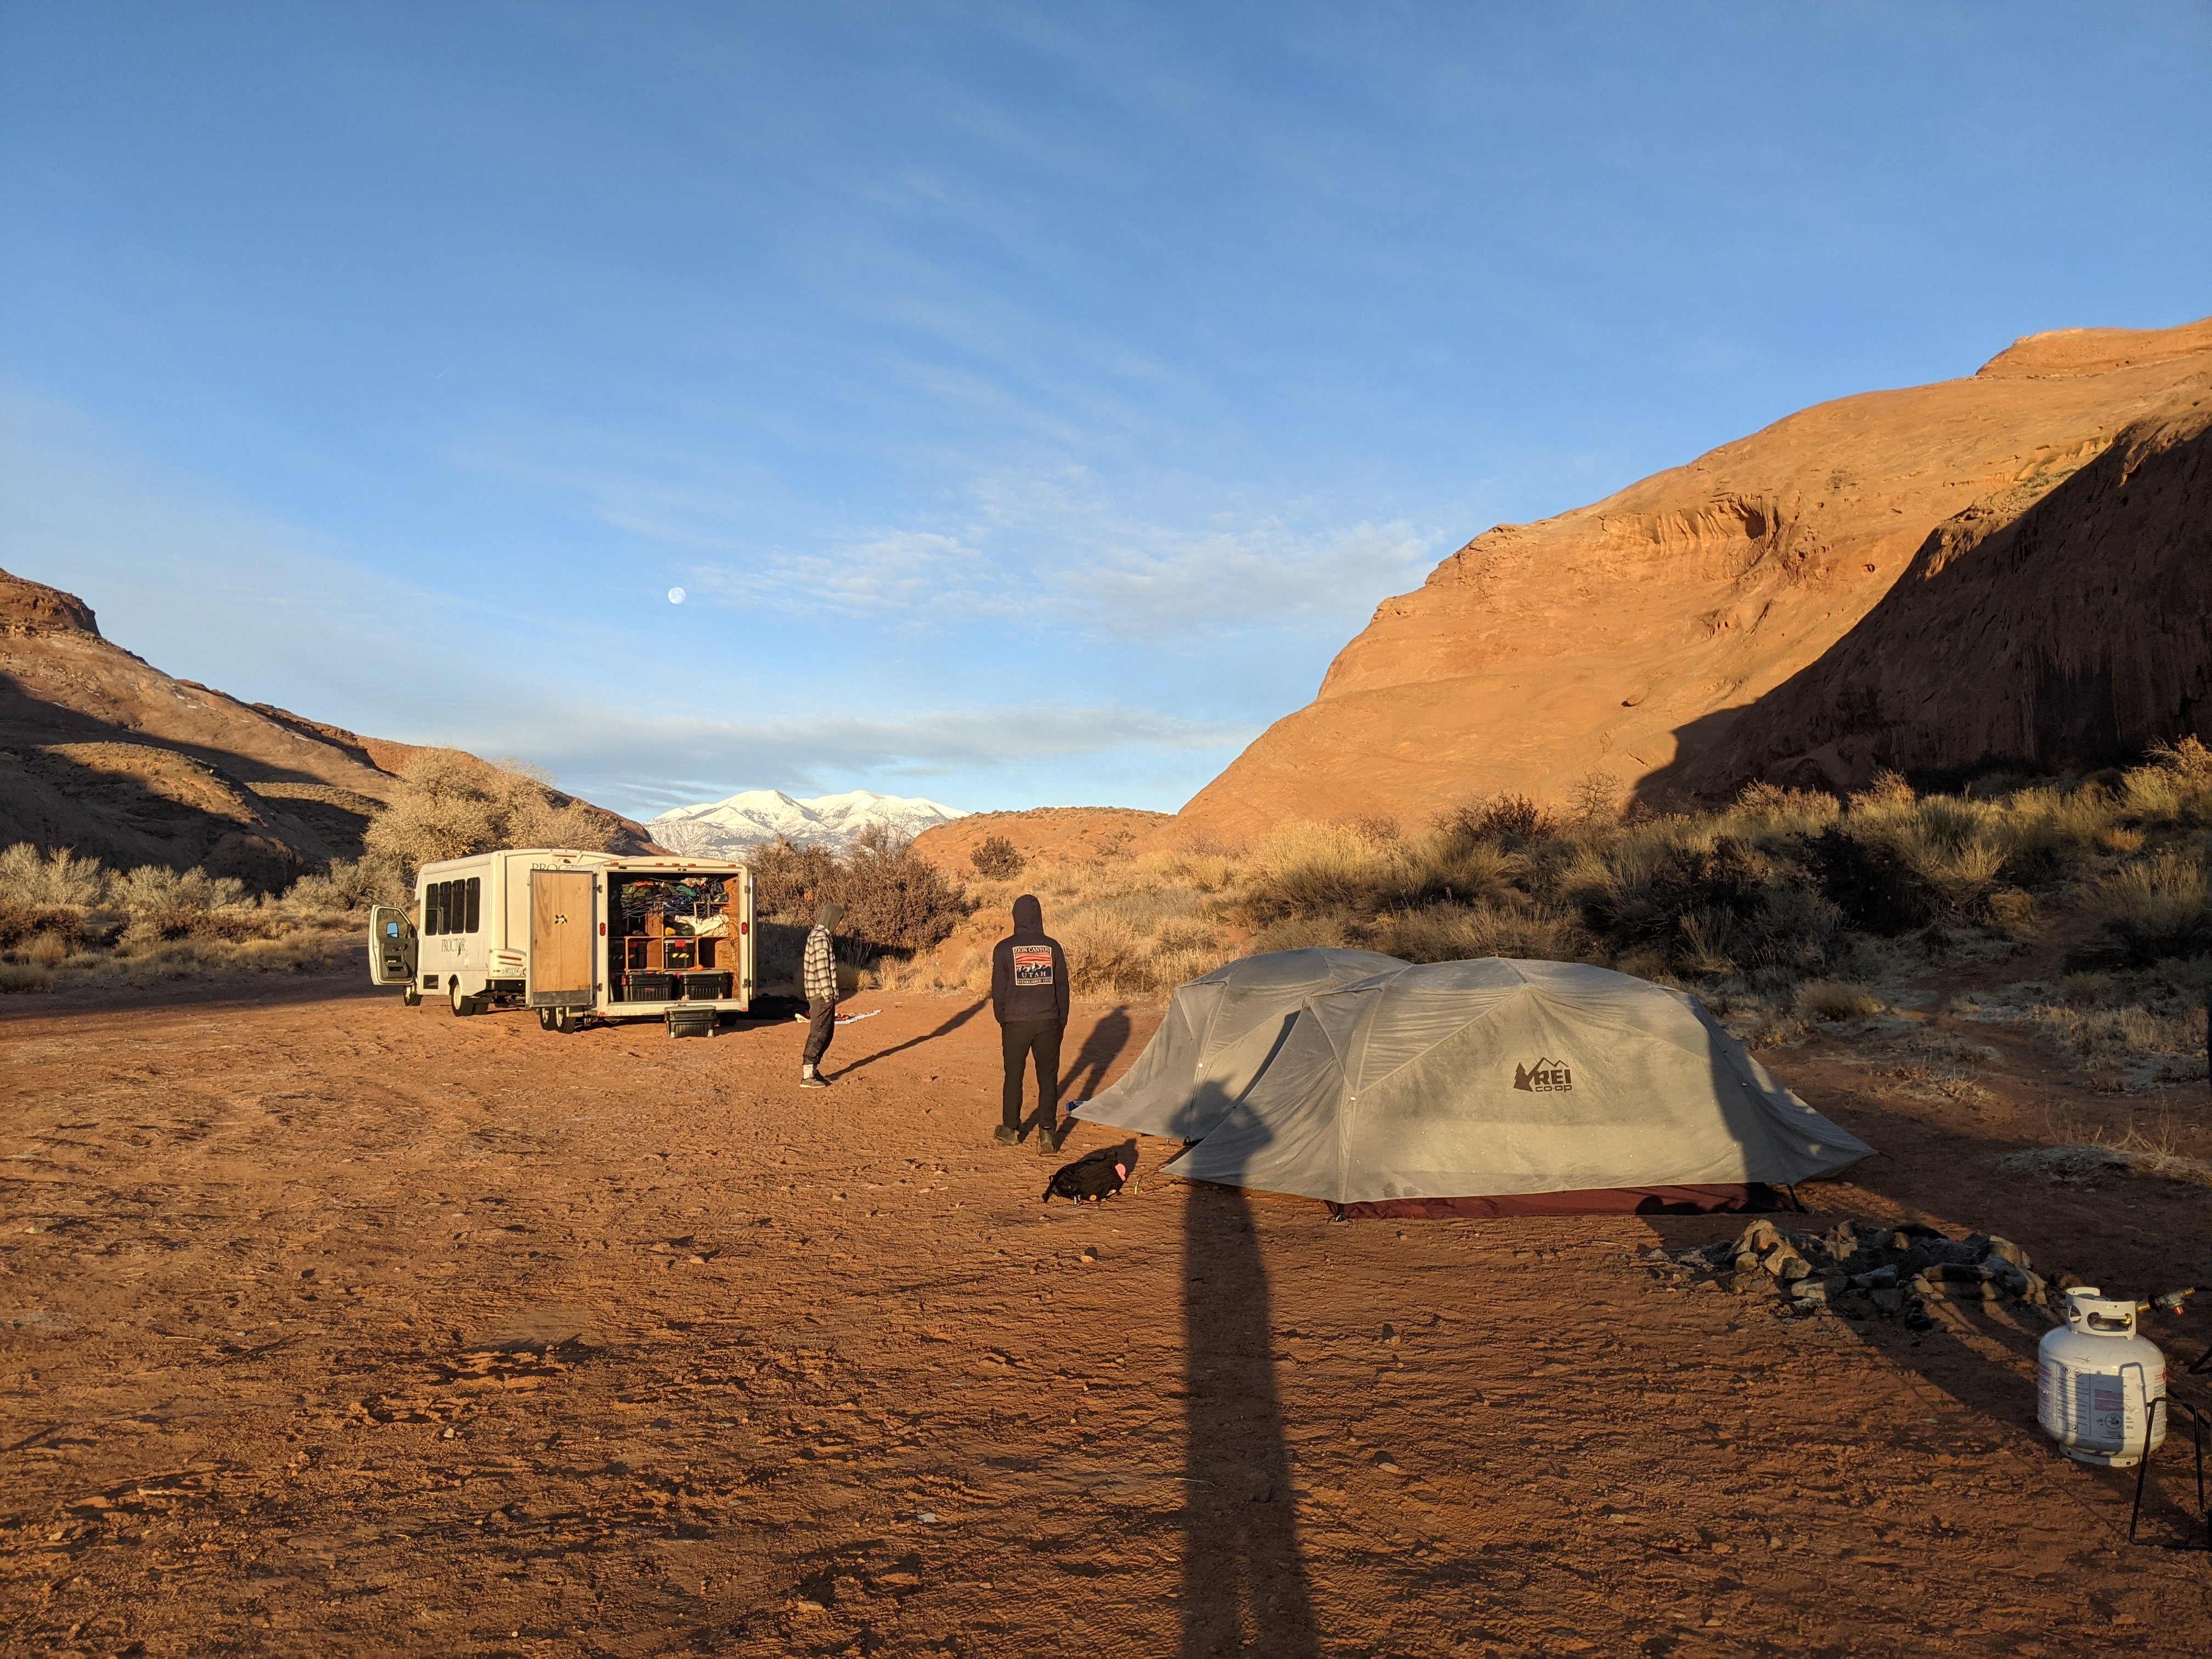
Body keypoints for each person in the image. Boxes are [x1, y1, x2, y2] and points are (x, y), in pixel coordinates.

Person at [991, 893, 1069, 1152]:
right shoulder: (1052, 947)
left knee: (1013, 1076)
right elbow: (1062, 987)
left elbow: (999, 989)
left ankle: (1011, 1130)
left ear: (1016, 916)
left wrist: (1003, 1018)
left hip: (1015, 1022)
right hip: (1049, 1021)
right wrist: (1061, 1020)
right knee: (1048, 1077)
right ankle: (1047, 1134)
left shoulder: (1004, 948)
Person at [800, 900, 843, 1088]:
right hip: (820, 995)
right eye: (839, 920)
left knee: (825, 1032)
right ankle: (808, 1074)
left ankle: (814, 1070)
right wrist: (828, 995)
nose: (840, 924)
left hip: (821, 995)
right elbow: (822, 970)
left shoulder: (821, 936)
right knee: (819, 1033)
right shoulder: (820, 938)